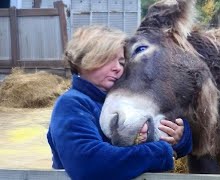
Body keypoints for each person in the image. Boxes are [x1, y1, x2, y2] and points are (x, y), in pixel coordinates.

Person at [47, 25, 193, 180]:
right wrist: (163, 153)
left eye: (122, 62)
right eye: (108, 59)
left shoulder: (121, 99)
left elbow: (167, 128)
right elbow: (89, 164)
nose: (118, 68)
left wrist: (180, 138)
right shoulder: (71, 105)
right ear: (82, 60)